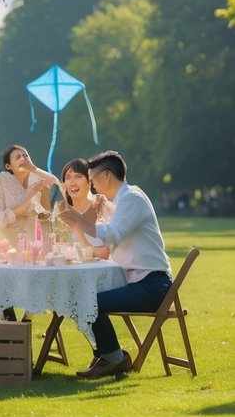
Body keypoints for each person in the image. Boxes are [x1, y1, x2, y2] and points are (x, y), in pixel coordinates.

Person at [57, 150, 173, 380]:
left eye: (92, 178)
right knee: (83, 296)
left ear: (107, 176)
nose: (91, 183)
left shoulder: (132, 199)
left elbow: (112, 235)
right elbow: (105, 242)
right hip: (139, 281)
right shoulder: (120, 201)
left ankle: (114, 358)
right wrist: (77, 225)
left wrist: (77, 220)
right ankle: (106, 355)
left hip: (152, 285)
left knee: (91, 302)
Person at [0, 145, 57, 248]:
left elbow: (56, 184)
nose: (23, 158)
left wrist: (34, 169)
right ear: (8, 166)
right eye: (18, 157)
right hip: (9, 242)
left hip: (36, 241)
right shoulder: (1, 179)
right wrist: (32, 194)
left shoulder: (37, 178)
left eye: (25, 155)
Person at [52, 158, 112, 238]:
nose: (72, 183)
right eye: (68, 178)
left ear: (89, 181)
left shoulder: (100, 203)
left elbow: (107, 238)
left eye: (78, 176)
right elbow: (56, 240)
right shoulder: (60, 207)